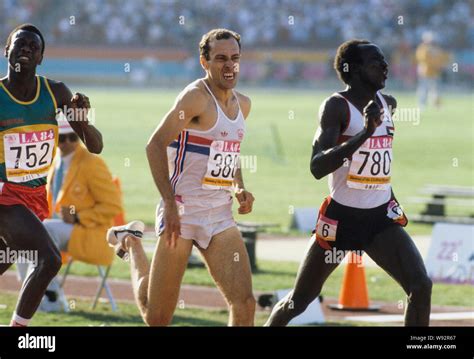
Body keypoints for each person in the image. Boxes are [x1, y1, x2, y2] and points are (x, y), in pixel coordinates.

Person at [265, 40, 432, 327]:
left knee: (420, 285)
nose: (384, 66)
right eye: (375, 62)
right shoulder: (336, 107)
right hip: (341, 220)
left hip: (380, 219)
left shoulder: (387, 103)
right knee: (300, 300)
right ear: (353, 70)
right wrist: (364, 134)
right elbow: (317, 166)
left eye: (384, 61)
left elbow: (377, 161)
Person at [107, 28, 256, 326]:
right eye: (220, 59)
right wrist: (169, 204)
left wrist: (240, 187)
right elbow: (155, 145)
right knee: (157, 317)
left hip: (220, 215)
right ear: (204, 61)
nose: (229, 65)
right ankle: (133, 245)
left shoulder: (244, 104)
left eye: (235, 58)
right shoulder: (195, 98)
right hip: (183, 212)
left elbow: (229, 152)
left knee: (245, 303)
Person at [0, 24, 102, 326]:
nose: (27, 49)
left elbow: (95, 146)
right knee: (50, 259)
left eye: (34, 46)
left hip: (34, 198)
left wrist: (81, 118)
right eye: (20, 43)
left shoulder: (56, 92)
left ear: (41, 57)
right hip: (5, 195)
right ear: (7, 50)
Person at [17, 120, 121, 312]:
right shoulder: (54, 161)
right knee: (24, 232)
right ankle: (33, 295)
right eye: (61, 138)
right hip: (58, 229)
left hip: (91, 233)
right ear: (54, 140)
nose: (67, 143)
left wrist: (79, 216)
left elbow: (112, 206)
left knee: (42, 230)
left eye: (73, 137)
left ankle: (51, 300)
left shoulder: (92, 163)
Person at [415, 32, 450, 108]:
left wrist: (440, 66)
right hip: (425, 72)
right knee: (423, 89)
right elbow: (422, 59)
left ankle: (437, 104)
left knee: (436, 89)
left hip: (435, 73)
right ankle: (422, 104)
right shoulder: (422, 48)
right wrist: (435, 64)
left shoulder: (437, 49)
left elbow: (442, 59)